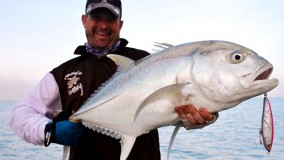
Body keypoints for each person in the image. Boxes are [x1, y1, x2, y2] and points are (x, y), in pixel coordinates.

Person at [10, 0, 218, 159]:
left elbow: (175, 106)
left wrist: (196, 119)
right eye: (96, 17)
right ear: (84, 20)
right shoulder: (64, 73)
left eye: (110, 19)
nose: (103, 25)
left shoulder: (147, 61)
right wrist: (50, 131)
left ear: (120, 23)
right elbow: (20, 114)